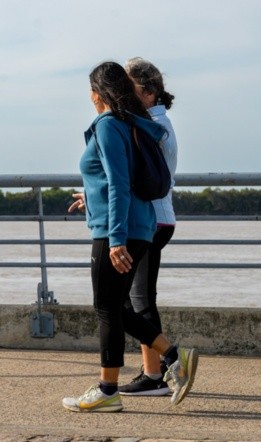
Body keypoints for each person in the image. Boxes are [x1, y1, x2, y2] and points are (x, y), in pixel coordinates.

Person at [61, 61, 197, 413]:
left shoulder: (108, 125)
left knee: (107, 307)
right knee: (117, 306)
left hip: (115, 229)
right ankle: (172, 356)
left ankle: (108, 390)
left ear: (97, 93)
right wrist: (91, 198)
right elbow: (118, 182)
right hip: (137, 225)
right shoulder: (131, 123)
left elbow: (120, 184)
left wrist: (117, 239)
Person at [118, 57, 179, 396]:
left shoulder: (152, 126)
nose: (124, 95)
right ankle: (157, 368)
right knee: (138, 299)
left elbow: (140, 177)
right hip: (159, 217)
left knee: (136, 302)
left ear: (150, 92)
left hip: (150, 220)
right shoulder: (157, 122)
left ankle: (158, 372)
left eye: (131, 89)